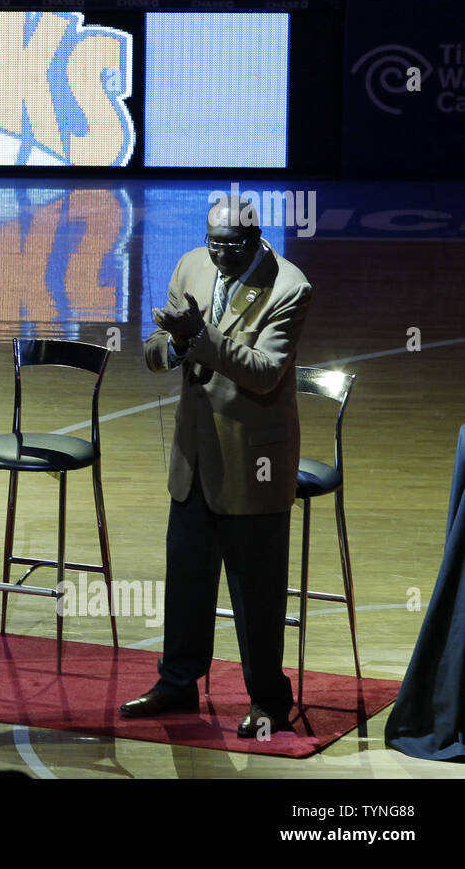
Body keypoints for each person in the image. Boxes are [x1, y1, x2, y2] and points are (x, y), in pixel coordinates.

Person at [120, 197, 311, 737]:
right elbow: (156, 348)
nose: (220, 254)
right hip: (194, 453)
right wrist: (175, 345)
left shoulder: (288, 286)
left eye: (232, 245)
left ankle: (270, 701)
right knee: (187, 580)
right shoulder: (190, 265)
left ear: (255, 240)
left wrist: (200, 339)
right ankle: (178, 682)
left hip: (255, 461)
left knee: (256, 591)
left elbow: (267, 372)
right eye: (214, 243)